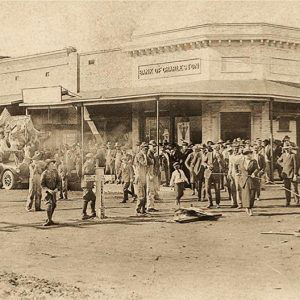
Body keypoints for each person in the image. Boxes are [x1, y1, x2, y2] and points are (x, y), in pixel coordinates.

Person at [235, 149, 259, 216]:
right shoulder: (240, 161)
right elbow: (235, 165)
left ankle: (250, 207)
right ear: (244, 155)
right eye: (246, 154)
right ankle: (247, 208)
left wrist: (254, 173)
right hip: (243, 180)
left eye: (249, 153)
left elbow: (257, 168)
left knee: (252, 194)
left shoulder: (254, 161)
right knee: (245, 195)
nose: (248, 155)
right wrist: (237, 172)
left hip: (251, 179)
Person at [41, 159, 61, 226]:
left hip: (54, 192)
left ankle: (49, 219)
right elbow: (42, 184)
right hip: (47, 192)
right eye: (51, 164)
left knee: (54, 205)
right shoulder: (44, 173)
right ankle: (49, 220)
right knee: (49, 205)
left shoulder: (55, 172)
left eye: (53, 164)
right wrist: (48, 190)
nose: (53, 165)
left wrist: (57, 189)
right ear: (48, 166)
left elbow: (59, 181)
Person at [203, 144, 224, 208]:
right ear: (213, 149)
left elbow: (222, 165)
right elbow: (203, 162)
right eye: (215, 148)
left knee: (217, 189)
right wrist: (207, 166)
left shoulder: (220, 155)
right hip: (208, 173)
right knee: (207, 188)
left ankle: (217, 203)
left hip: (216, 174)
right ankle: (210, 202)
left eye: (218, 148)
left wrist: (219, 159)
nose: (216, 149)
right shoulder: (209, 154)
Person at [135, 143, 151, 216]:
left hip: (144, 176)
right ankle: (138, 210)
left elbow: (151, 162)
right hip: (140, 176)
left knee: (145, 194)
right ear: (141, 149)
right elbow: (144, 163)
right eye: (145, 149)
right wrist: (145, 156)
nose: (146, 150)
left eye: (147, 149)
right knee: (141, 195)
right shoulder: (139, 155)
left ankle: (143, 210)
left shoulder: (145, 155)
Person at [81, 153, 97, 220]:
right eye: (92, 158)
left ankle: (92, 212)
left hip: (88, 184)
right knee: (86, 199)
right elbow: (87, 172)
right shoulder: (87, 164)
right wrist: (94, 170)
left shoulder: (88, 164)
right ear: (88, 159)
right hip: (86, 184)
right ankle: (83, 213)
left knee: (92, 198)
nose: (93, 160)